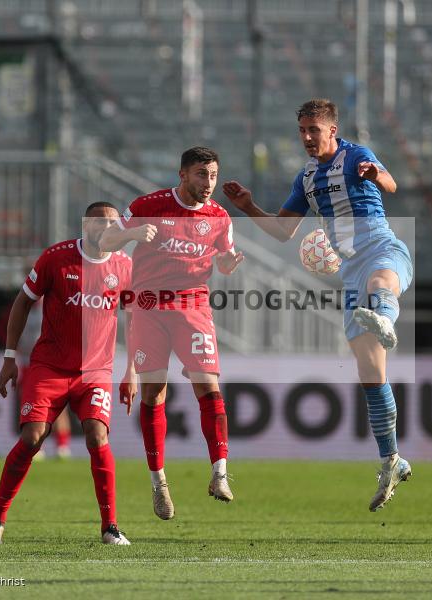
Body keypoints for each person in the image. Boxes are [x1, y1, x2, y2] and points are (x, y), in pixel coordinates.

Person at [220, 99, 414, 511]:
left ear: (332, 129)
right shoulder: (306, 177)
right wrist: (249, 207)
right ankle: (391, 459)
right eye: (302, 131)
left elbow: (392, 184)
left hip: (381, 247)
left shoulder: (355, 155)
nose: (307, 138)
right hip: (349, 272)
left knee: (383, 283)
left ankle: (384, 317)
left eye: (314, 130)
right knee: (370, 373)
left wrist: (376, 174)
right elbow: (283, 231)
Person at [100, 146, 244, 520]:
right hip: (149, 307)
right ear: (182, 175)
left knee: (208, 385)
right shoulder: (148, 204)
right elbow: (103, 242)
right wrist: (131, 231)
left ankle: (220, 474)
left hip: (192, 307)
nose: (208, 183)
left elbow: (226, 261)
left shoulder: (219, 216)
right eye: (201, 175)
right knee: (153, 392)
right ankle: (158, 481)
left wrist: (227, 263)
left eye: (212, 175)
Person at [0, 202, 135, 546]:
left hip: (95, 371)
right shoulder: (57, 258)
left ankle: (110, 526)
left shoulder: (124, 266)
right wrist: (8, 357)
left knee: (97, 436)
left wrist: (133, 369)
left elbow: (135, 317)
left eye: (113, 223)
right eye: (100, 221)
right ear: (86, 225)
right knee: (32, 438)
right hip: (49, 368)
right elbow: (22, 303)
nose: (107, 227)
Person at [0, 293, 72, 459]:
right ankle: (38, 447)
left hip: (50, 363)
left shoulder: (56, 304)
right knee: (30, 405)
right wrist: (13, 348)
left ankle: (62, 446)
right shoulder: (21, 306)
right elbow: (4, 327)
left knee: (58, 407)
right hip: (26, 362)